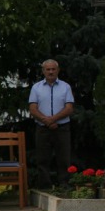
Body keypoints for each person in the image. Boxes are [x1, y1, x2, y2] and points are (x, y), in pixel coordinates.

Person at [29, 59, 74, 188]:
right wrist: (47, 121)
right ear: (43, 71)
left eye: (53, 69)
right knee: (42, 159)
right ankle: (45, 186)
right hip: (43, 128)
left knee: (64, 158)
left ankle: (64, 184)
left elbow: (69, 108)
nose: (51, 72)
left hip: (62, 127)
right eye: (48, 69)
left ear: (58, 70)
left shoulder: (66, 87)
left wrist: (52, 119)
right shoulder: (36, 88)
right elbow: (32, 109)